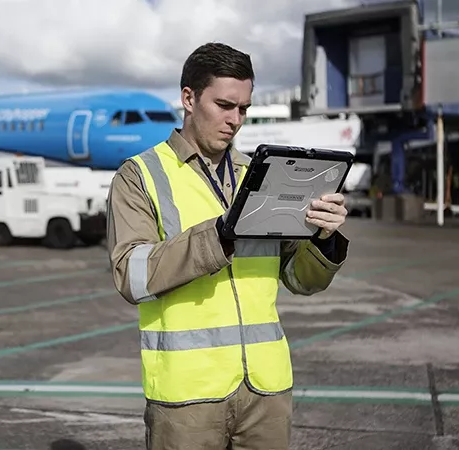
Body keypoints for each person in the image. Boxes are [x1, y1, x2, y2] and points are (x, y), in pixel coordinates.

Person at [105, 42, 349, 450]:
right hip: (187, 396)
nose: (235, 120)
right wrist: (219, 236)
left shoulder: (260, 175)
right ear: (188, 98)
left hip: (266, 390)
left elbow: (299, 279)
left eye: (243, 109)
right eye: (223, 105)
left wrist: (326, 239)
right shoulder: (139, 176)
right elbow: (132, 276)